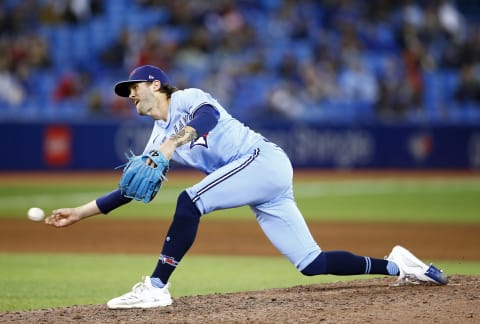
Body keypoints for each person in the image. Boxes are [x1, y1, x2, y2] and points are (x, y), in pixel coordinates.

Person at [45, 65, 448, 309]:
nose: (129, 95)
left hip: (262, 161)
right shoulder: (154, 138)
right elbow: (129, 190)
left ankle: (155, 287)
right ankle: (400, 265)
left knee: (191, 199)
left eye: (133, 87)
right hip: (260, 182)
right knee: (311, 263)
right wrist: (80, 213)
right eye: (126, 91)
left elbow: (207, 119)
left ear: (156, 85)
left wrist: (172, 143)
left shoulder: (188, 98)